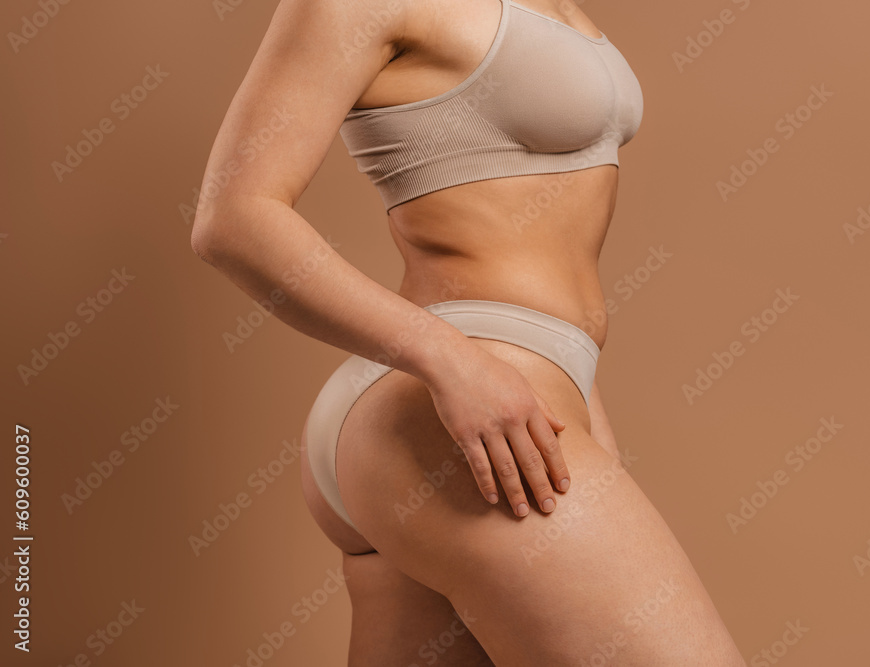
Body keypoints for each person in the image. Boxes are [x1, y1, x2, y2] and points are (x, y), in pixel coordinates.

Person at [191, 0, 746, 663]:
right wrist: (449, 362)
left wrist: (586, 409)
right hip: (444, 403)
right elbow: (233, 218)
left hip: (514, 396)